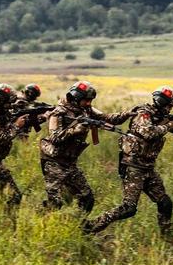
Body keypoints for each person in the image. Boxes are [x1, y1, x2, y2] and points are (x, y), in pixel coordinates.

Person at [83, 87, 173, 236]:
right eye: (169, 105)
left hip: (147, 168)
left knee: (165, 203)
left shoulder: (160, 117)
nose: (170, 109)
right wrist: (167, 127)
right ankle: (90, 226)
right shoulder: (143, 113)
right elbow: (148, 133)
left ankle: (167, 237)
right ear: (163, 103)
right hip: (133, 166)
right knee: (129, 208)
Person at [38, 81, 132, 213]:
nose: (89, 103)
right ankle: (36, 219)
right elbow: (54, 138)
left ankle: (78, 226)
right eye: (86, 100)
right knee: (55, 203)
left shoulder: (86, 109)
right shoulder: (58, 113)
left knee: (87, 199)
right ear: (75, 98)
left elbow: (107, 118)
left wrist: (127, 114)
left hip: (69, 163)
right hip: (54, 161)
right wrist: (74, 130)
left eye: (90, 100)